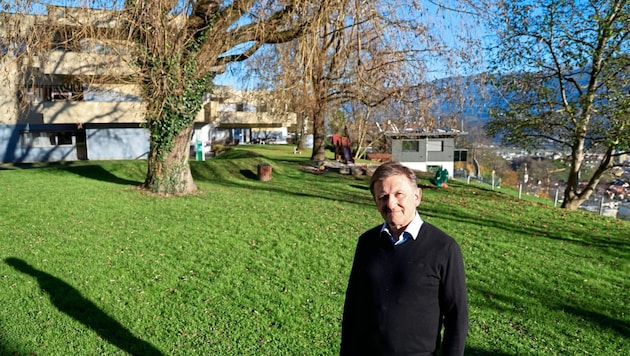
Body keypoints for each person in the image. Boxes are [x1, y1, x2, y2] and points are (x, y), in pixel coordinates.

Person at [340, 161, 468, 356]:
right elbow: (352, 307)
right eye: (383, 196)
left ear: (417, 196)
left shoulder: (443, 248)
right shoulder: (367, 242)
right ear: (375, 201)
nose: (391, 204)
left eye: (399, 194)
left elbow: (456, 317)